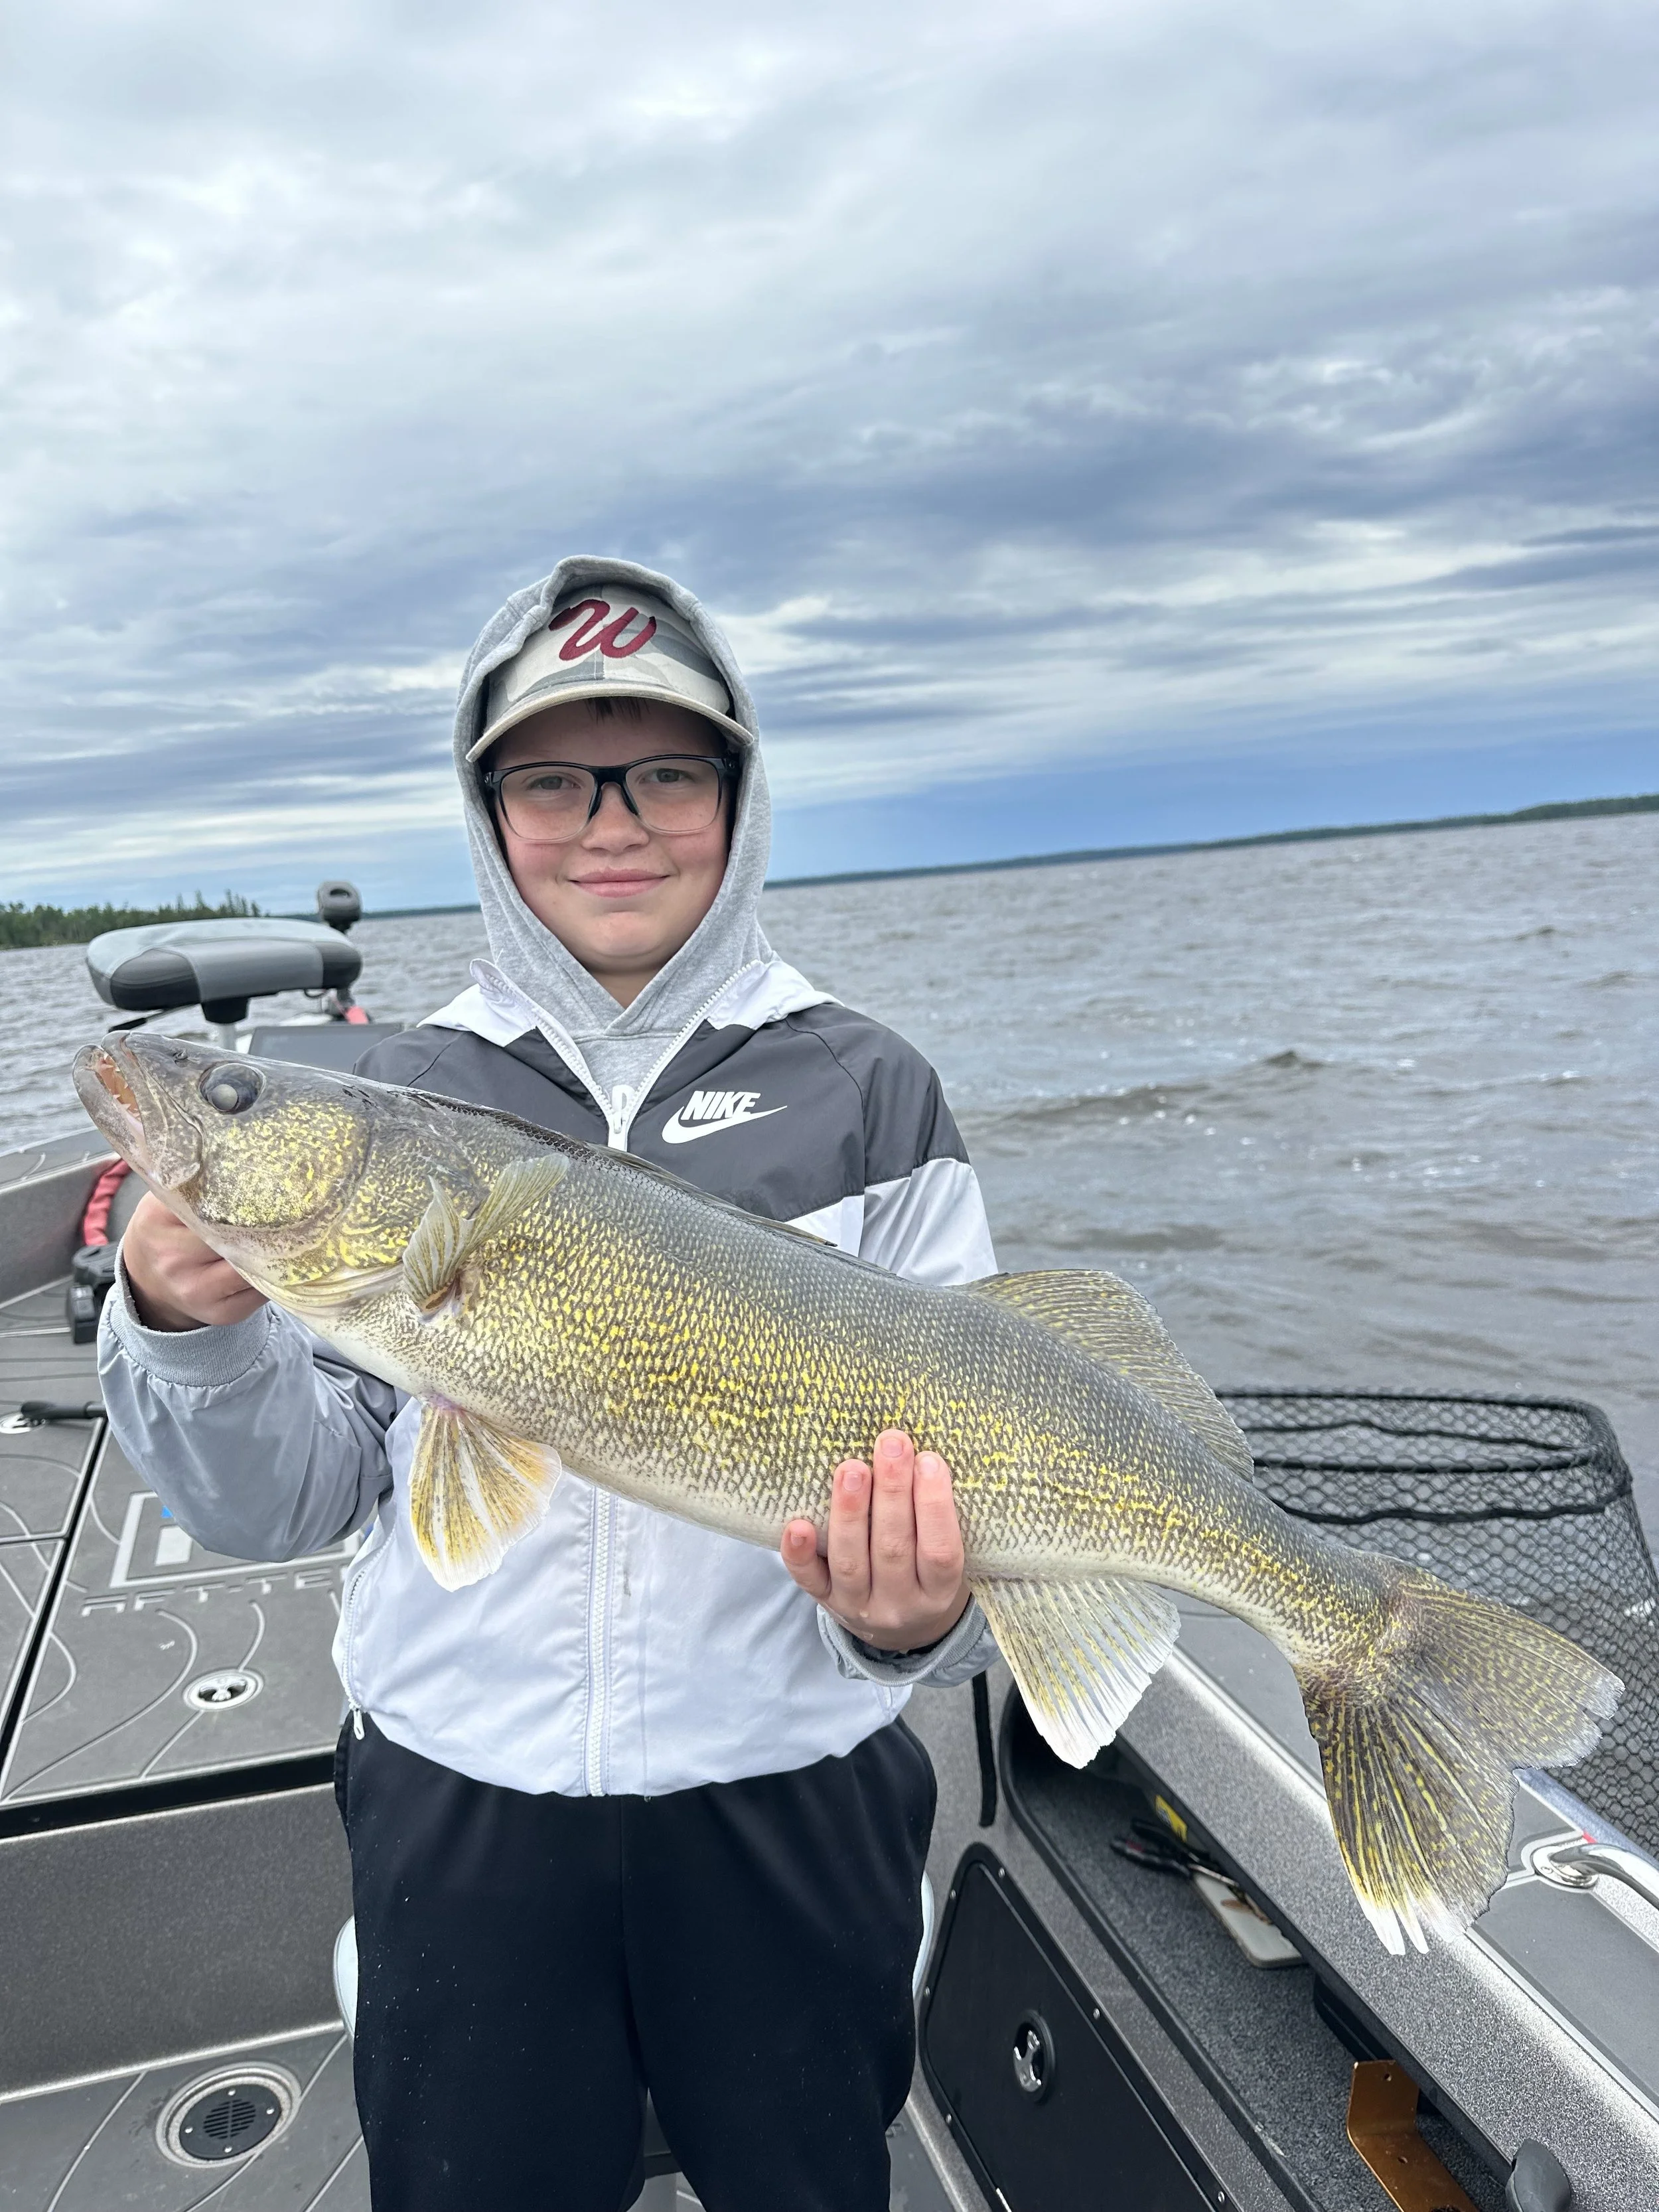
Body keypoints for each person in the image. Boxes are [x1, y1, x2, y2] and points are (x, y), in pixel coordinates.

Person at [100, 558, 1000, 2212]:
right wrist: (189, 1328)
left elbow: (980, 1473)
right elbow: (276, 1500)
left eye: (665, 769)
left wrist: (906, 1620)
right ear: (488, 810)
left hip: (790, 1801)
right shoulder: (397, 1091)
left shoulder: (873, 1091)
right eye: (552, 778)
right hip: (465, 1801)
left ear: (735, 796)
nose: (612, 822)